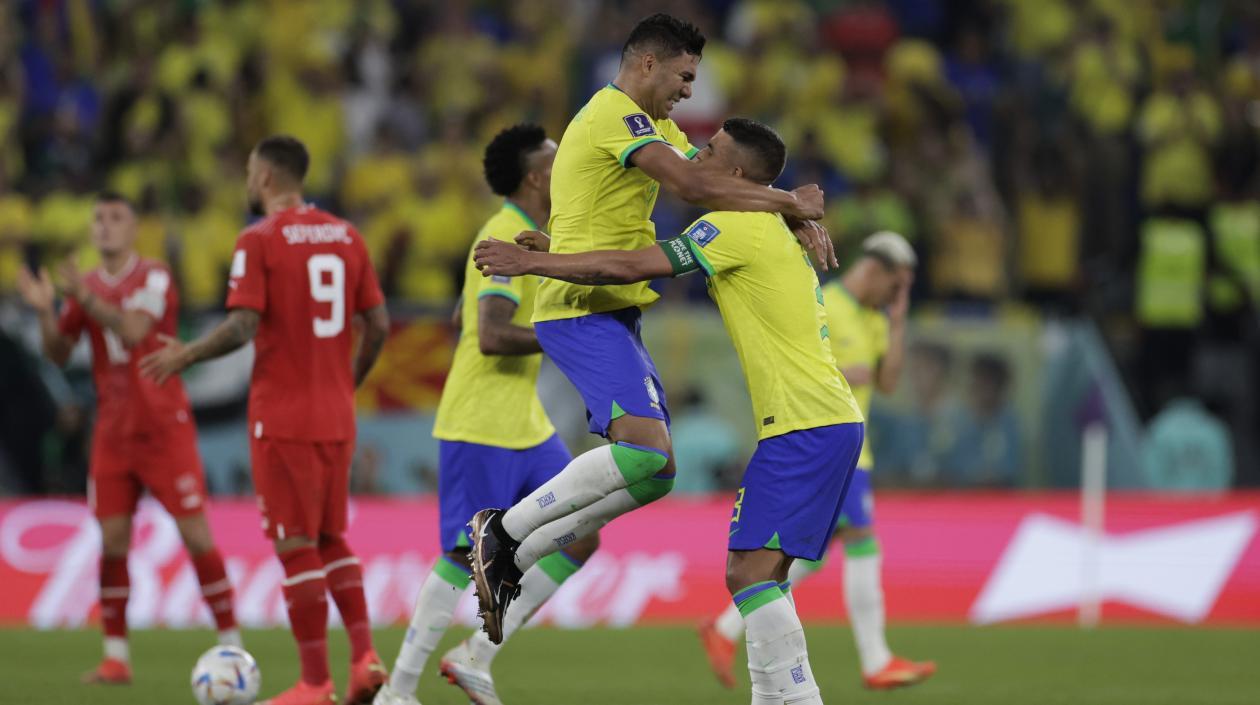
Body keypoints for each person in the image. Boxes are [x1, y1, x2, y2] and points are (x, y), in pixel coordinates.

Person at [467, 12, 832, 645]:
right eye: (685, 75)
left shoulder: (655, 126)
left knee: (656, 474)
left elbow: (724, 181)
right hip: (581, 305)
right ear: (646, 65)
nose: (690, 91)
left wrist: (782, 210)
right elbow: (695, 184)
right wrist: (789, 203)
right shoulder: (615, 115)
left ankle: (514, 555)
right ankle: (503, 534)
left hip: (611, 307)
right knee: (645, 452)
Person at [476, 118, 862, 705]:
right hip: (820, 421)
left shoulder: (733, 225)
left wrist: (530, 266)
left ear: (734, 174)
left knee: (749, 575)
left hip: (807, 426)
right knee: (760, 576)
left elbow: (631, 269)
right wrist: (558, 248)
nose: (696, 156)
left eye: (709, 150)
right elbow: (636, 257)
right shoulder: (758, 226)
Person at [140, 136, 391, 705]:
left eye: (251, 171)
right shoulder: (347, 236)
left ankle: (314, 682)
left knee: (295, 543)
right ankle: (365, 661)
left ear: (268, 177)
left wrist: (185, 354)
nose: (248, 181)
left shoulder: (258, 240)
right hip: (336, 413)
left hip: (282, 417)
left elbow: (243, 327)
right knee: (332, 537)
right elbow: (377, 325)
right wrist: (346, 383)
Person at [374, 125, 600, 705]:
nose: (566, 166)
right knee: (460, 552)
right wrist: (563, 338)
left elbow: (460, 316)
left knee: (583, 536)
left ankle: (476, 654)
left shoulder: (528, 238)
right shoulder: (504, 233)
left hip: (523, 421)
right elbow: (493, 335)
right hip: (480, 423)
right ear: (536, 177)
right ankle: (397, 691)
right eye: (556, 160)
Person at [16, 192, 241, 685]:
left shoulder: (154, 275)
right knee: (112, 542)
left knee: (196, 535)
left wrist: (86, 298)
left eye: (114, 217)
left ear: (133, 228)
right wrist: (44, 311)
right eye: (97, 218)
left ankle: (233, 648)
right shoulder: (87, 285)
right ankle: (115, 657)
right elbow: (57, 352)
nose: (103, 226)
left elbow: (137, 328)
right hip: (113, 433)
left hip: (164, 429)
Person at [698, 231, 936, 690]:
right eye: (897, 286)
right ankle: (875, 659)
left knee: (814, 553)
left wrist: (899, 321)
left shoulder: (873, 319)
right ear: (874, 270)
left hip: (850, 450)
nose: (897, 295)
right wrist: (846, 372)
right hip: (821, 442)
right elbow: (797, 361)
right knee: (861, 541)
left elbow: (887, 382)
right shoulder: (825, 302)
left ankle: (723, 628)